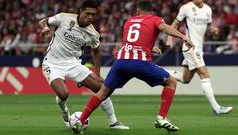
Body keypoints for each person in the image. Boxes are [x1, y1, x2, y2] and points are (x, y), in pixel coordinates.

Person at [73, 0, 194, 134]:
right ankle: (161, 118)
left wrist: (150, 48)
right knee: (171, 82)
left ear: (137, 11)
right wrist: (183, 37)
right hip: (139, 63)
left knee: (102, 93)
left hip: (121, 63)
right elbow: (165, 28)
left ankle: (80, 121)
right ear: (151, 12)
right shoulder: (155, 19)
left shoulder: (129, 21)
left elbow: (132, 41)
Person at [39, 0, 129, 130]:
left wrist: (97, 74)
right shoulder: (64, 18)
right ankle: (65, 112)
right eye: (88, 13)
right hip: (52, 63)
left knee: (102, 88)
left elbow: (97, 51)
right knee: (63, 94)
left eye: (93, 14)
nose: (91, 17)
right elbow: (44, 21)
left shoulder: (93, 33)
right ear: (81, 11)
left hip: (73, 63)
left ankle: (113, 122)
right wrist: (45, 27)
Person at [165, 0, 233, 114]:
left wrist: (213, 29)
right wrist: (169, 38)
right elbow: (175, 24)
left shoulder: (208, 9)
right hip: (191, 47)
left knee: (185, 79)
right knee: (204, 74)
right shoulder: (186, 8)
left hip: (199, 49)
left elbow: (209, 25)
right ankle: (217, 108)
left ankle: (160, 71)